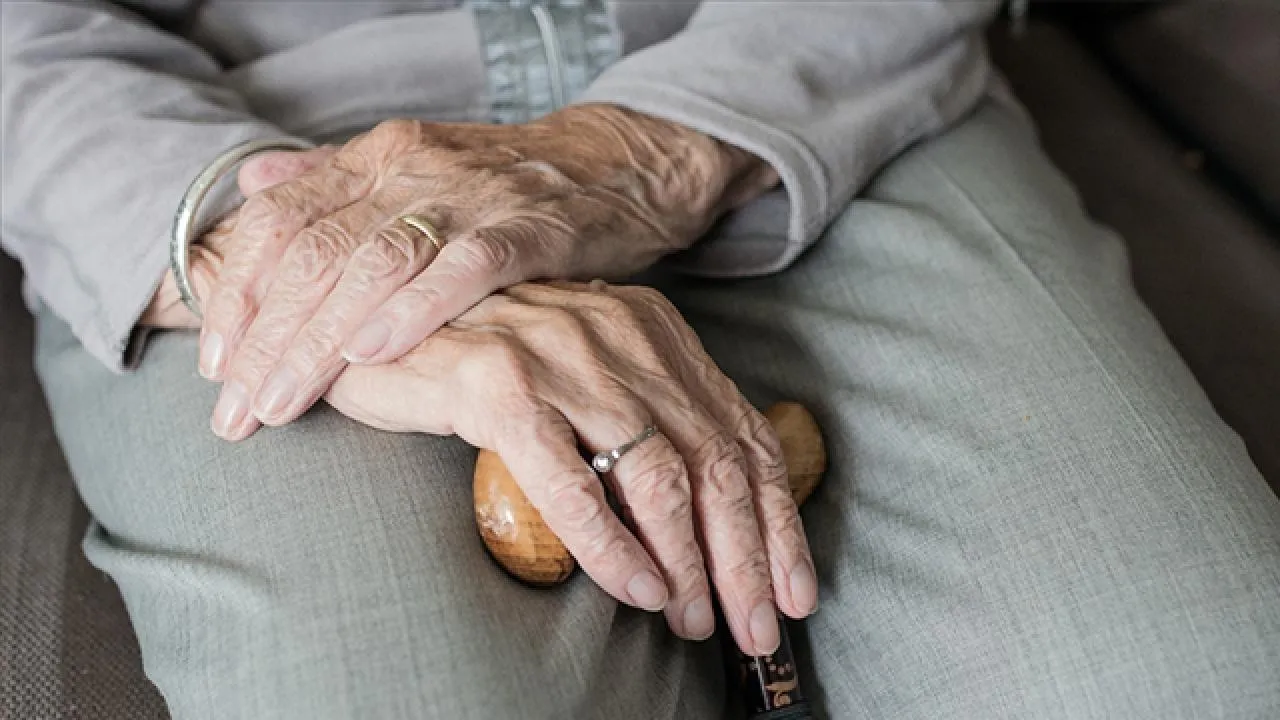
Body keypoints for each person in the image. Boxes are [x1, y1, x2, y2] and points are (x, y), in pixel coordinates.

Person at [4, 1, 1279, 718]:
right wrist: (271, 252)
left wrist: (642, 149)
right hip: (241, 149)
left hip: (813, 75)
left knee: (1189, 678)